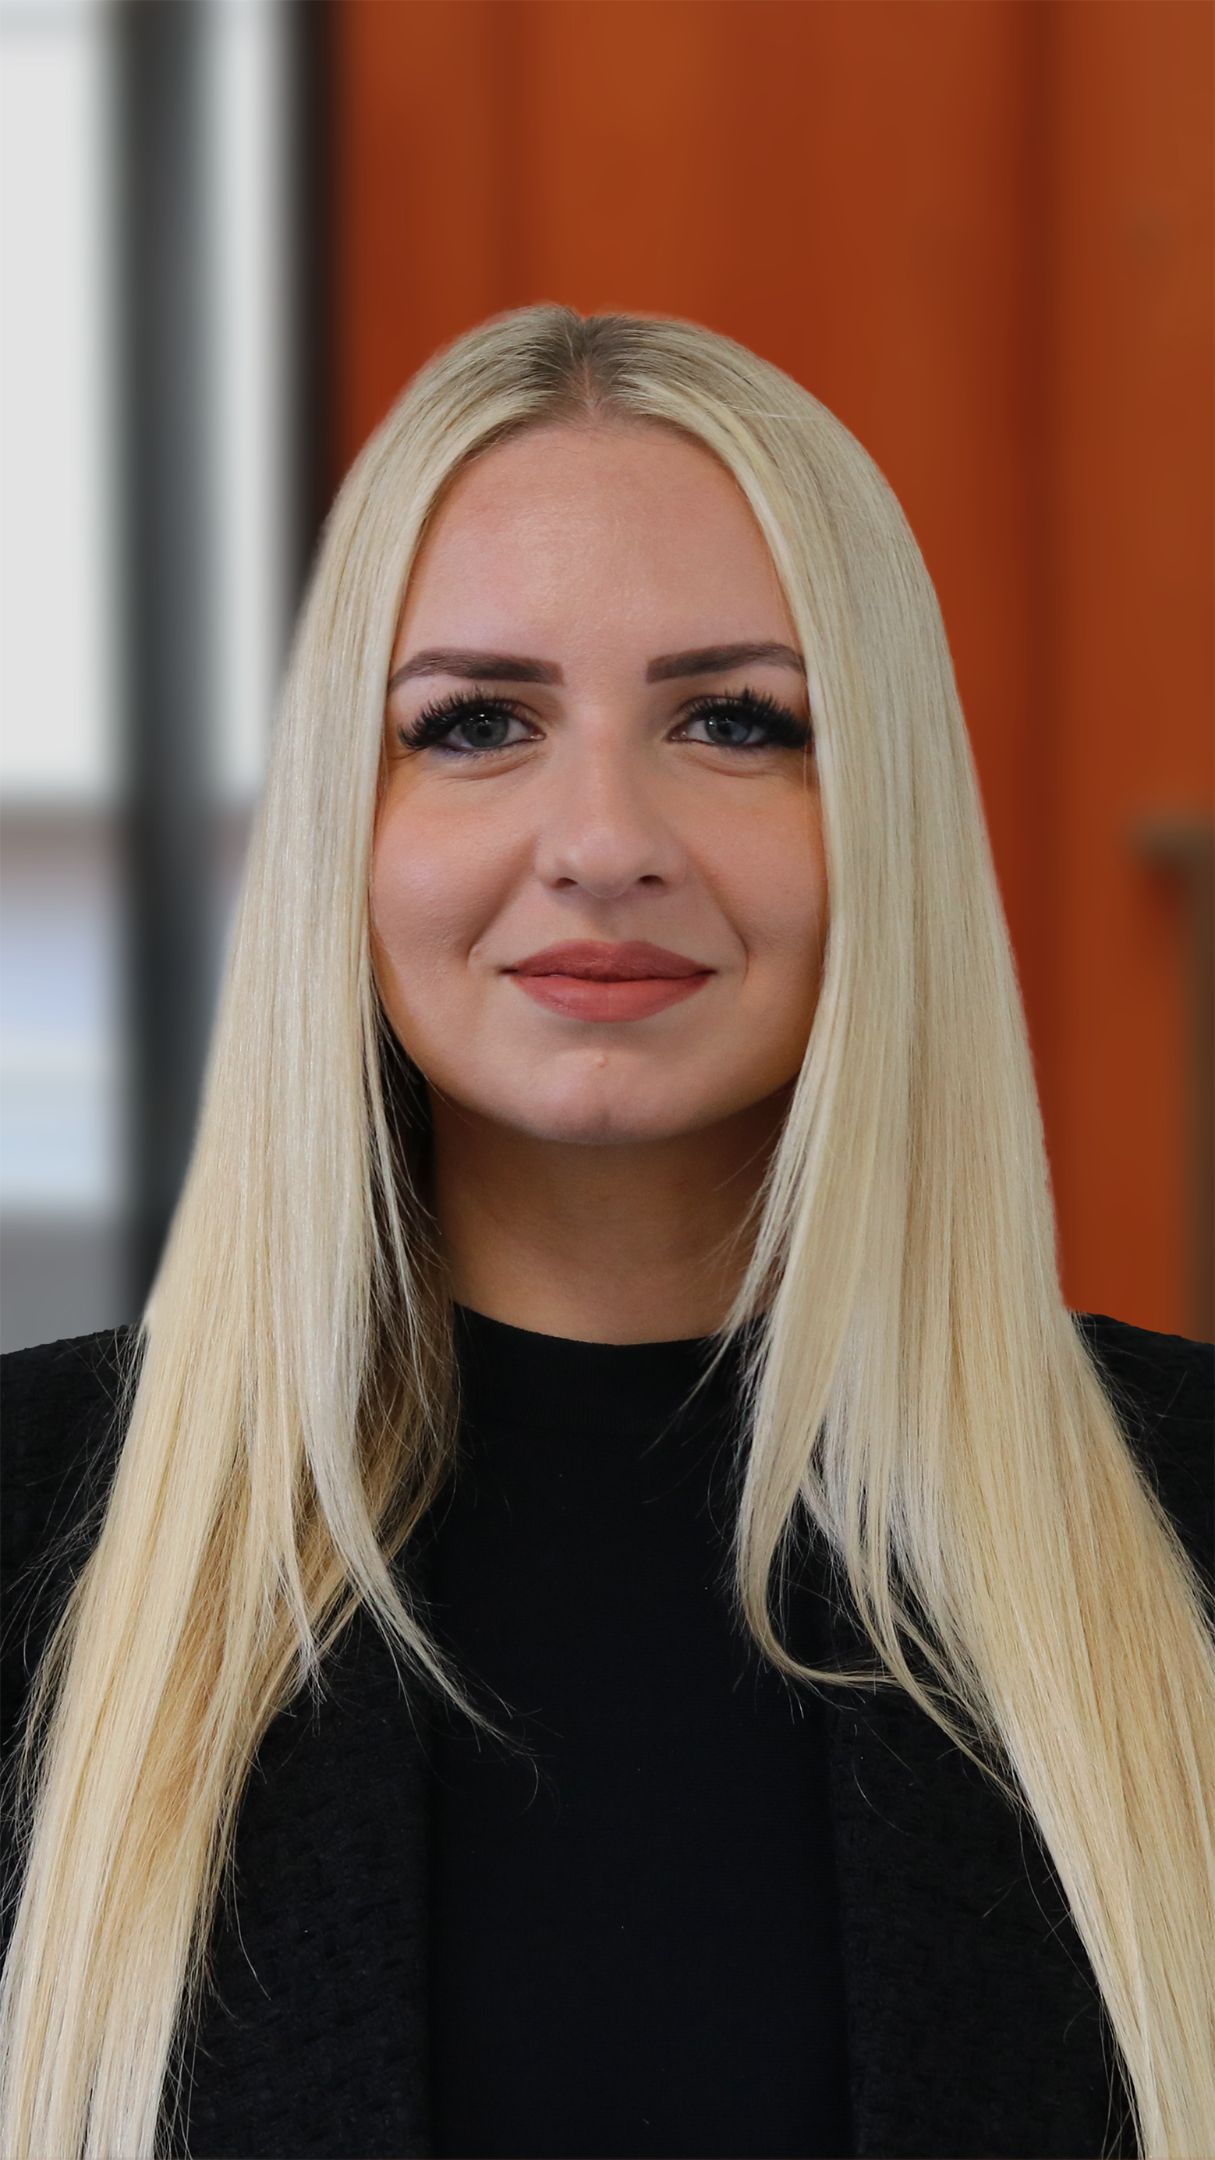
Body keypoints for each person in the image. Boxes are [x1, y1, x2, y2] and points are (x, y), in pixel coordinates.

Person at [1, 304, 1212, 2160]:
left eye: (735, 722)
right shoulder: (27, 1533)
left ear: (878, 816)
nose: (602, 838)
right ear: (348, 821)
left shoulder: (1187, 1524)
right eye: (476, 723)